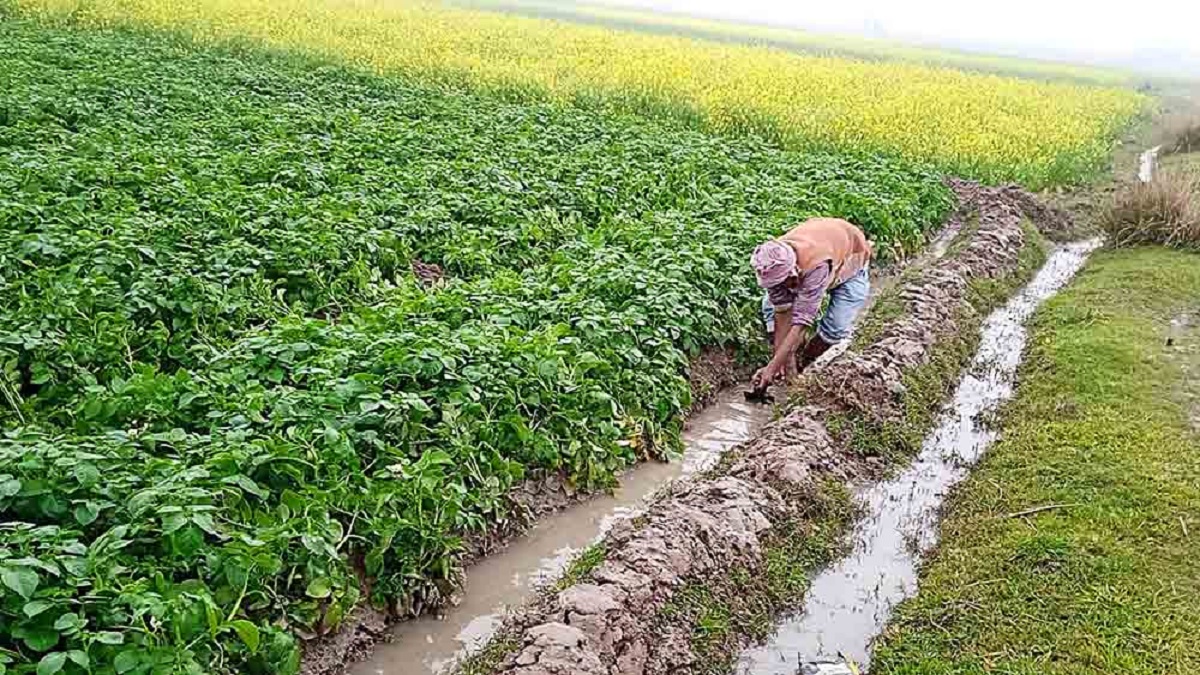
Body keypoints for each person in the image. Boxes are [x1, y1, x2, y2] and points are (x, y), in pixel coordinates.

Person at [749, 217, 872, 388]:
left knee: (836, 326)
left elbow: (801, 321)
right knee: (769, 308)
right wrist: (777, 363)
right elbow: (782, 313)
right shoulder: (771, 262)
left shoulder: (816, 265)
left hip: (850, 260)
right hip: (822, 244)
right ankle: (790, 363)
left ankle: (805, 361)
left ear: (792, 272)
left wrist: (773, 367)